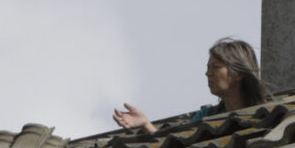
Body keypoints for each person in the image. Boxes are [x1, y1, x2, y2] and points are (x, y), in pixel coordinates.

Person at [111, 37, 264, 134]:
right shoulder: (205, 117)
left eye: (216, 67)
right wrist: (145, 123)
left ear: (238, 74)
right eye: (208, 67)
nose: (208, 73)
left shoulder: (263, 115)